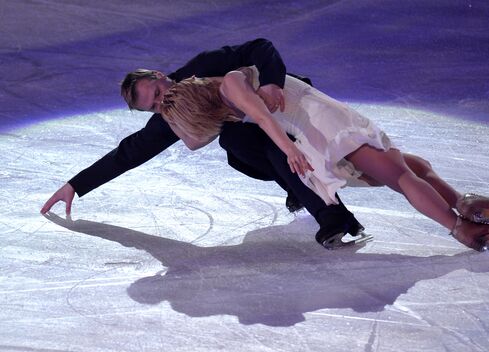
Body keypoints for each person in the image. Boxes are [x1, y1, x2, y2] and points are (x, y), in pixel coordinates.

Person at [155, 66, 489, 252]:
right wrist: (173, 112)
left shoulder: (231, 83)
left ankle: (462, 214)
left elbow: (265, 118)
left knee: (404, 170)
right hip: (320, 132)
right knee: (397, 174)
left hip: (320, 129)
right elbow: (195, 140)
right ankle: (461, 216)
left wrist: (290, 151)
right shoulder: (223, 105)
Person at [40, 39, 365, 249]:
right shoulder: (171, 114)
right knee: (236, 144)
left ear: (159, 75)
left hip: (287, 105)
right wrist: (76, 184)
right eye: (152, 107)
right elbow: (131, 151)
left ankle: (332, 215)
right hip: (263, 133)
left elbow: (260, 48)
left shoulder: (203, 67)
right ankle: (319, 205)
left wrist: (270, 84)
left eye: (156, 94)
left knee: (260, 142)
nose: (160, 103)